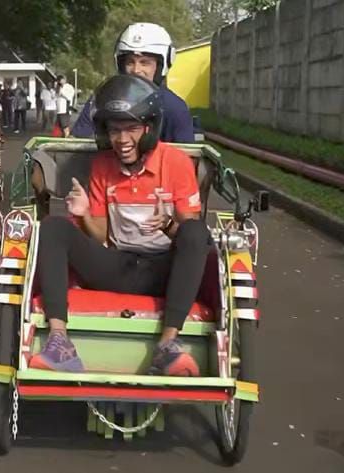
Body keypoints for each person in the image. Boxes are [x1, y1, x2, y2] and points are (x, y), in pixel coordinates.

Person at [29, 75, 210, 377]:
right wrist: (84, 214)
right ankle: (59, 343)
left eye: (131, 129)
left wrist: (167, 225)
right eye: (114, 130)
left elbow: (188, 240)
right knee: (53, 227)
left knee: (196, 232)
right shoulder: (102, 164)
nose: (122, 140)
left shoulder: (176, 163)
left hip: (164, 272)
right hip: (117, 266)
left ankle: (167, 346)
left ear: (149, 128)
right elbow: (100, 234)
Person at [71, 23, 194, 143]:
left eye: (144, 63)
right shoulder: (101, 100)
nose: (136, 70)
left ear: (161, 66)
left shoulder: (175, 108)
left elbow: (186, 159)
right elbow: (78, 148)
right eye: (130, 62)